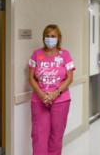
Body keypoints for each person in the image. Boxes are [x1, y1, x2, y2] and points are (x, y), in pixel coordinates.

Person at [29, 24, 75, 155]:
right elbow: (31, 78)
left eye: (53, 36)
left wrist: (56, 93)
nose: (50, 39)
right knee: (38, 137)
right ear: (43, 38)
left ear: (59, 38)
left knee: (56, 137)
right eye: (47, 36)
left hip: (61, 101)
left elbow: (69, 78)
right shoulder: (36, 54)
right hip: (39, 101)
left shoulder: (65, 55)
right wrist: (42, 95)